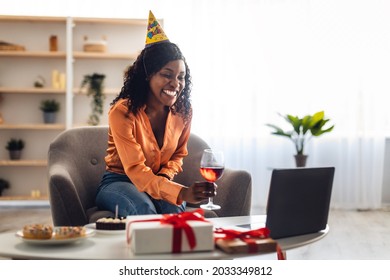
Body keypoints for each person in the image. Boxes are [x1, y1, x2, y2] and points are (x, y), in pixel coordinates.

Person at [95, 11, 215, 217]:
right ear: (147, 76)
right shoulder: (123, 111)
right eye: (167, 75)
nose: (176, 84)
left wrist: (166, 179)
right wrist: (182, 191)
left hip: (160, 179)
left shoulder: (184, 111)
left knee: (175, 208)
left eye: (181, 77)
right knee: (144, 209)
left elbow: (178, 155)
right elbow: (135, 171)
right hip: (120, 181)